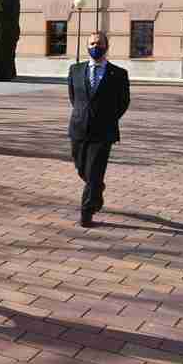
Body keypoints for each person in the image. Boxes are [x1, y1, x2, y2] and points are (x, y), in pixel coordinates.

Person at [68, 31, 130, 227]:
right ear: (87, 46)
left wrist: (107, 118)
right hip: (79, 128)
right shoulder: (75, 70)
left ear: (106, 46)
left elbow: (123, 102)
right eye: (92, 43)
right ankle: (97, 189)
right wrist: (83, 115)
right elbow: (74, 98)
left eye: (99, 43)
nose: (96, 46)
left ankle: (86, 212)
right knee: (81, 169)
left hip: (103, 132)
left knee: (93, 172)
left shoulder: (118, 73)